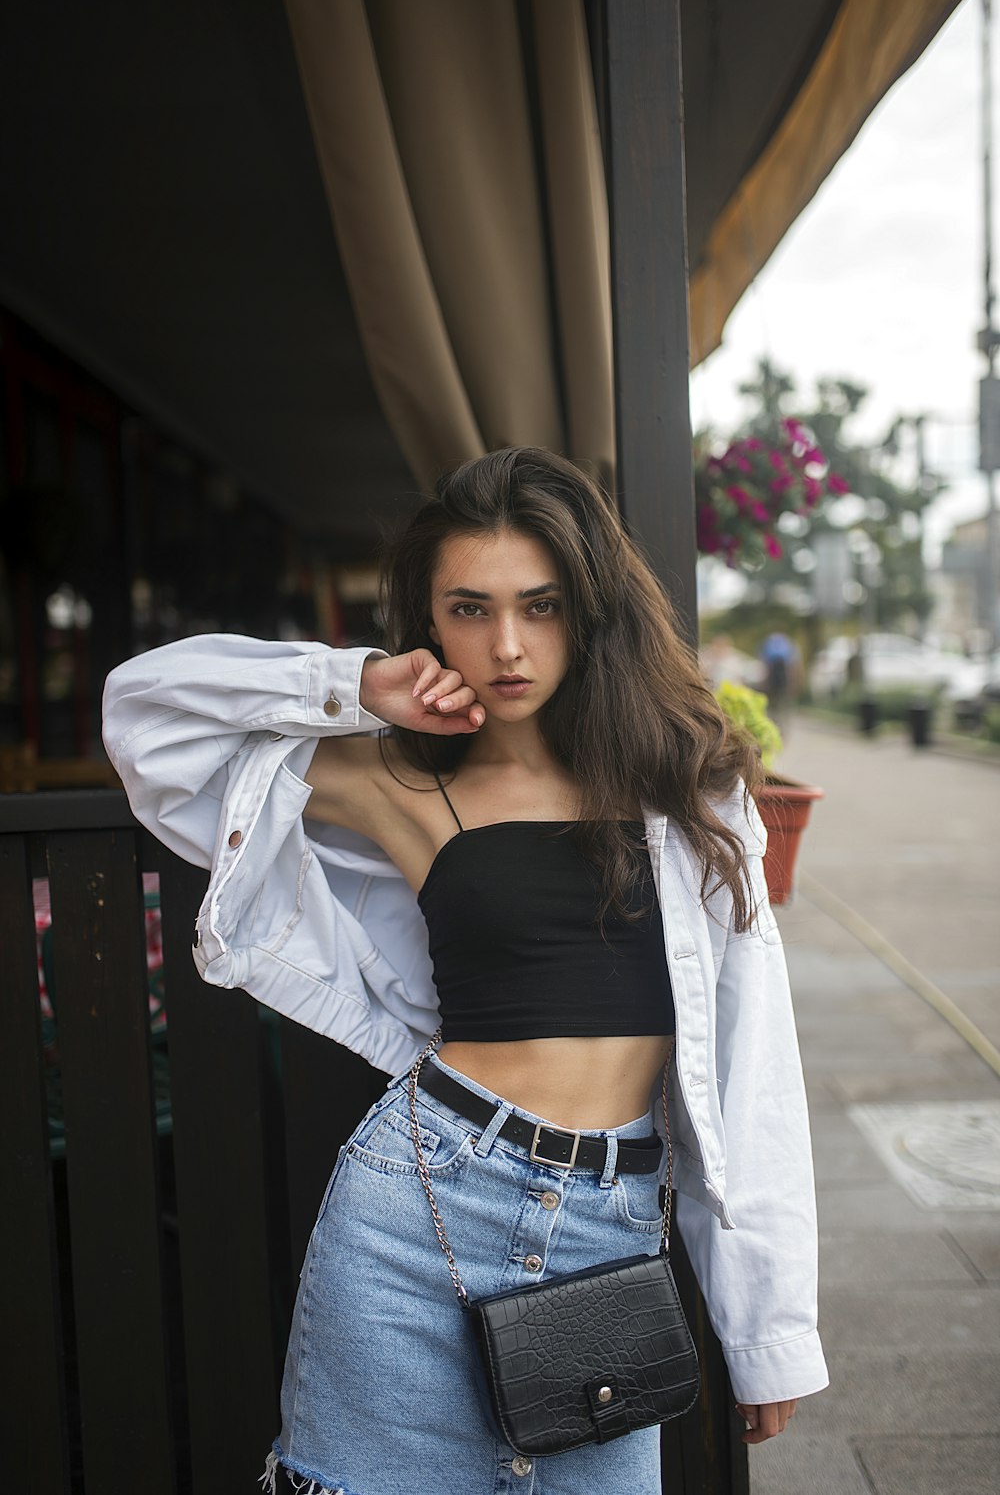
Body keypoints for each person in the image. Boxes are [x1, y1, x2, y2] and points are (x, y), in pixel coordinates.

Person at [103, 447, 828, 1495]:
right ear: (427, 620)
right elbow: (146, 720)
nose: (505, 645)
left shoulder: (686, 785)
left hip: (611, 1227)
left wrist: (769, 1323)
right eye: (467, 608)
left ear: (588, 609)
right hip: (420, 1204)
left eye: (539, 606)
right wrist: (353, 682)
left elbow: (754, 1065)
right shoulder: (395, 779)